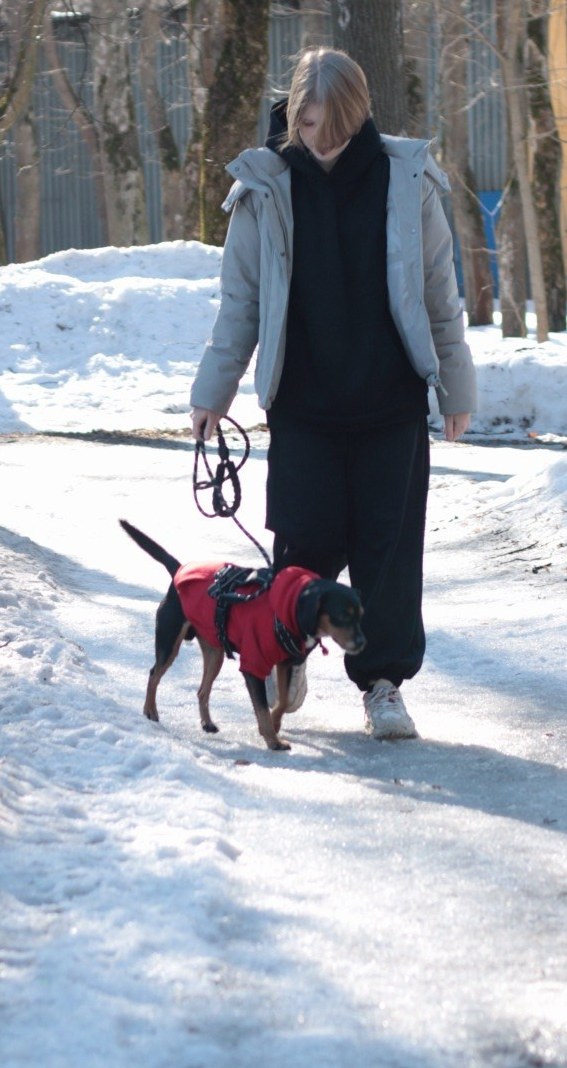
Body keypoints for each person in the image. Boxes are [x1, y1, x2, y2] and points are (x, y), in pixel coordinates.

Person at [190, 47, 475, 740]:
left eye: (338, 127)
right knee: (305, 546)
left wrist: (456, 387)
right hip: (304, 405)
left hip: (390, 400)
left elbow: (440, 292)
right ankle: (291, 656)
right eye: (311, 123)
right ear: (295, 111)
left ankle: (383, 682)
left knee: (388, 550)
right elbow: (241, 301)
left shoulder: (406, 179)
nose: (323, 140)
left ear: (361, 114)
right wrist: (213, 390)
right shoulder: (263, 186)